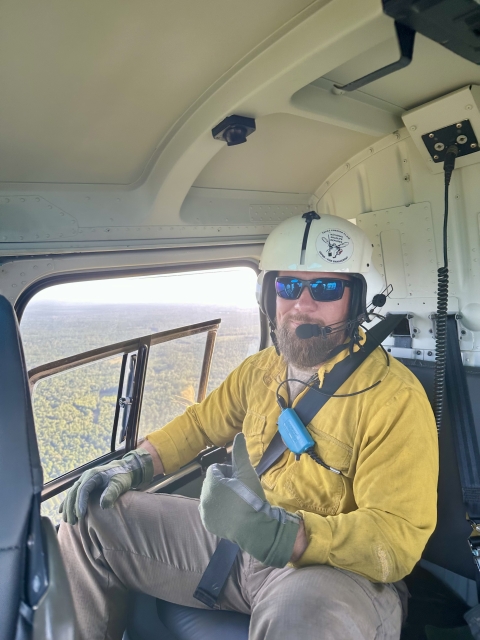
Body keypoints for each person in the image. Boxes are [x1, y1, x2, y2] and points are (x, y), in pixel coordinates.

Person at [58, 212, 439, 640]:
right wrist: (132, 465)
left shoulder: (394, 399)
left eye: (327, 287)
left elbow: (397, 537)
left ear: (357, 299)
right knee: (89, 516)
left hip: (331, 571)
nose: (303, 303)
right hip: (240, 543)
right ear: (269, 294)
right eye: (288, 285)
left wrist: (288, 535)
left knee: (301, 622)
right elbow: (200, 425)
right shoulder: (261, 370)